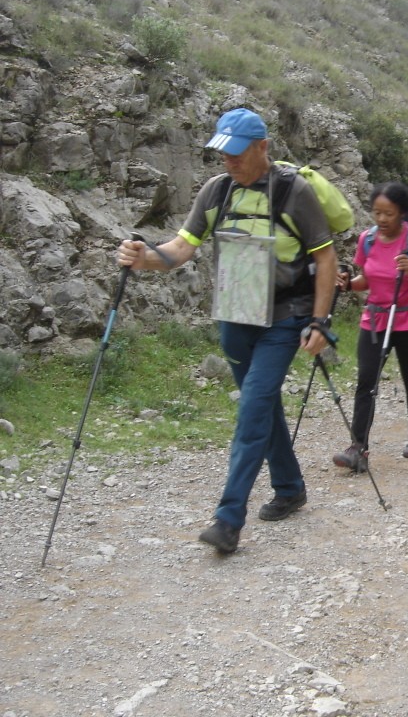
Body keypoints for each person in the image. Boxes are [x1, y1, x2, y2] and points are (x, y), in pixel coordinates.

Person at [115, 108, 337, 555]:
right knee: (262, 405)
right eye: (223, 153)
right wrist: (145, 257)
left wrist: (319, 320)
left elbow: (326, 259)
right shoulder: (217, 191)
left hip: (283, 318)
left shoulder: (295, 193)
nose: (229, 162)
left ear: (262, 147)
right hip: (234, 317)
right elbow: (179, 249)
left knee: (251, 410)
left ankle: (228, 519)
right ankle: (290, 487)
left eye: (237, 153)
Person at [332, 182, 408, 471]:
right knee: (366, 381)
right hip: (376, 320)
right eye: (377, 212)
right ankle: (358, 448)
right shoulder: (367, 240)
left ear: (402, 213)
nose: (381, 219)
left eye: (388, 213)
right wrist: (346, 285)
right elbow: (366, 281)